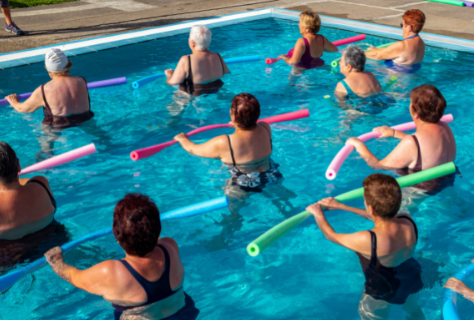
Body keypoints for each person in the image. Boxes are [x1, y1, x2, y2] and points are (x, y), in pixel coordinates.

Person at [45, 193, 199, 319]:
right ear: (158, 229)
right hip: (184, 314)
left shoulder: (112, 271)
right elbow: (156, 237)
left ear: (115, 234)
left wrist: (57, 262)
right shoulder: (170, 246)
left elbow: (74, 277)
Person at [307, 173, 425, 320]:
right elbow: (378, 216)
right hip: (411, 275)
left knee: (369, 315)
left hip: (384, 287)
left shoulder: (368, 239)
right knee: (413, 309)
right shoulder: (406, 220)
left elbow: (330, 236)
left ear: (371, 208)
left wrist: (318, 214)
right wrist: (342, 207)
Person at [345, 85, 457, 194]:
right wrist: (394, 133)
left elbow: (378, 165)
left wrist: (359, 145)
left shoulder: (411, 142)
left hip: (421, 189)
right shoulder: (444, 127)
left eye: (410, 103)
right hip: (448, 177)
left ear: (415, 113)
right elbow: (424, 146)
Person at [174, 93, 282, 193]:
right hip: (271, 174)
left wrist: (182, 139)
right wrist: (238, 123)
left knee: (233, 210)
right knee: (283, 201)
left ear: (233, 116)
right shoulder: (265, 126)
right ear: (258, 114)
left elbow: (194, 149)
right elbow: (250, 135)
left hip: (244, 180)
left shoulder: (224, 142)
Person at [0, 141, 67, 272]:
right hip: (53, 243)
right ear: (18, 165)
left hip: (8, 258)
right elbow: (24, 183)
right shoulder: (41, 184)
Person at [5, 48, 94, 128]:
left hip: (58, 123)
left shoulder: (44, 90)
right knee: (101, 136)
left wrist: (14, 102)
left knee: (46, 143)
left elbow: (24, 109)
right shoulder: (81, 81)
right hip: (85, 118)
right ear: (68, 65)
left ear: (48, 70)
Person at [165, 24, 231, 97]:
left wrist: (170, 76)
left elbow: (173, 82)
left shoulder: (186, 59)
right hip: (217, 88)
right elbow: (226, 72)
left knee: (175, 99)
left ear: (192, 43)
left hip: (194, 92)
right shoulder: (217, 56)